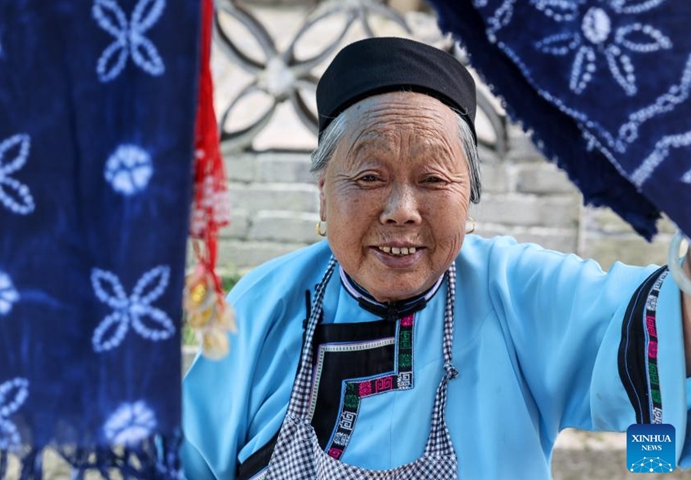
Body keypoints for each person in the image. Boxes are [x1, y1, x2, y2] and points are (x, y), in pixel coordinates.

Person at [181, 37, 691, 479]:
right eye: (368, 178)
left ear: (468, 196)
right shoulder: (262, 307)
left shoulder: (514, 291)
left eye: (432, 180)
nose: (402, 211)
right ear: (322, 195)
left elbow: (671, 318)